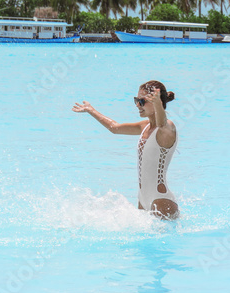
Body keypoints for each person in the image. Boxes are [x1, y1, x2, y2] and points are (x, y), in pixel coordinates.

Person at [73, 81, 180, 220]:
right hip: (143, 199)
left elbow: (161, 123)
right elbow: (114, 128)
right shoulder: (145, 127)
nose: (137, 105)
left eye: (142, 101)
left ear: (156, 102)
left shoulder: (167, 128)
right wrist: (91, 110)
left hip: (161, 200)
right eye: (136, 100)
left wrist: (158, 105)